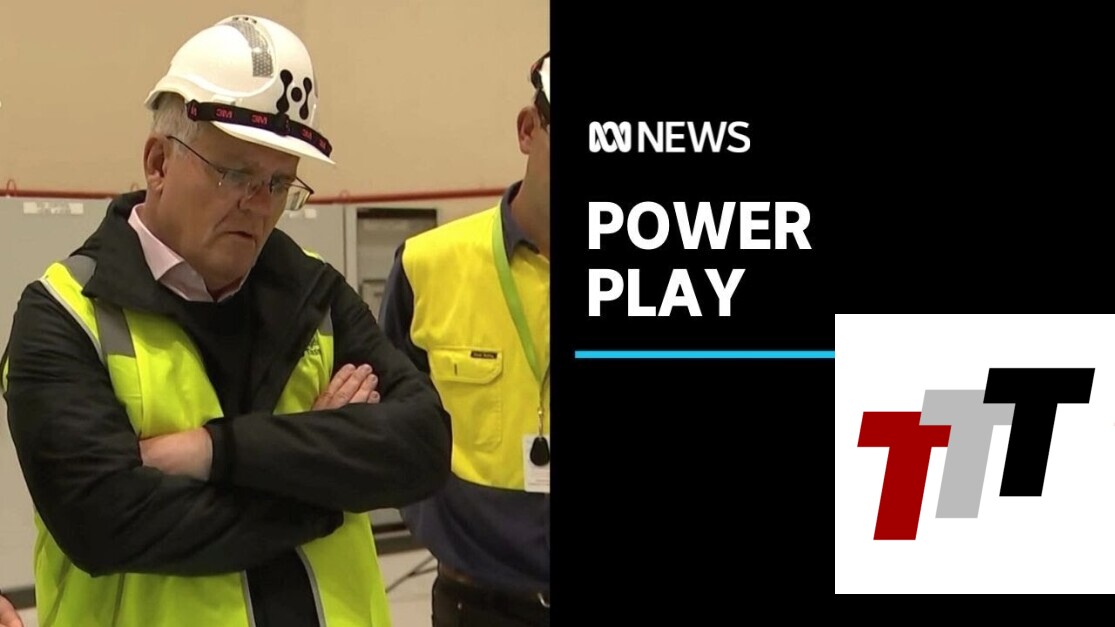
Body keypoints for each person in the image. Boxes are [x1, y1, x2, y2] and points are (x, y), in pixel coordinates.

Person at [0, 15, 450, 627]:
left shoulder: (314, 291)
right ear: (158, 162)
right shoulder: (65, 315)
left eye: (279, 183)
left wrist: (212, 451)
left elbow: (423, 445)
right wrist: (324, 484)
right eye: (234, 174)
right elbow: (105, 523)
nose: (259, 205)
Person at [379, 51, 551, 627]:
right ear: (528, 130)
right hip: (477, 604)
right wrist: (439, 522)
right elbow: (392, 418)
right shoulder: (429, 265)